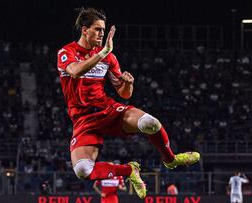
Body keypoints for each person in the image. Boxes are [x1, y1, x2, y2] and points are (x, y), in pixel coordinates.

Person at [57, 7, 200, 199]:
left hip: (107, 110)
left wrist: (128, 84)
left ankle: (171, 159)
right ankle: (128, 170)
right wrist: (103, 53)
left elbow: (124, 94)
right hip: (83, 120)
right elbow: (75, 71)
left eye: (103, 29)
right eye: (98, 29)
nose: (102, 34)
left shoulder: (108, 56)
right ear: (85, 30)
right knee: (82, 170)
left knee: (151, 123)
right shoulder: (68, 52)